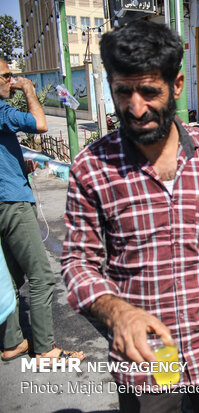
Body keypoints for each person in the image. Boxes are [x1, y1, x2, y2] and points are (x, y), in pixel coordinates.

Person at [61, 20, 199, 412]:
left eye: (149, 91)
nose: (136, 108)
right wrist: (118, 314)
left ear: (177, 85)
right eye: (123, 92)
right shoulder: (90, 168)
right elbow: (77, 263)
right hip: (147, 363)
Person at [0, 60, 85, 364]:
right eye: (6, 76)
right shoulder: (1, 109)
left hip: (6, 193)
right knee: (41, 276)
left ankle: (12, 342)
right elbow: (40, 123)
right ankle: (46, 349)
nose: (12, 80)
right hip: (11, 201)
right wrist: (29, 89)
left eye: (12, 76)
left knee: (9, 275)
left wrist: (16, 165)